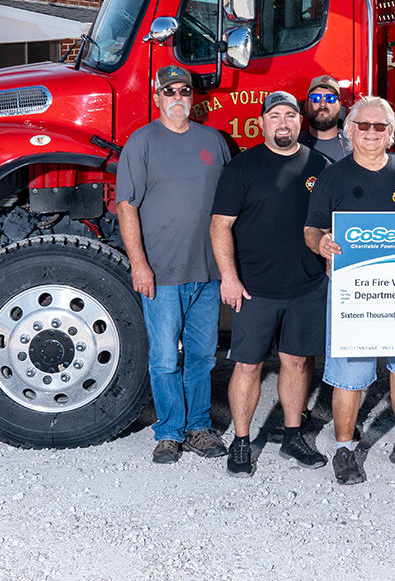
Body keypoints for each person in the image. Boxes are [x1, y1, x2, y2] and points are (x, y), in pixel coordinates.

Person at [305, 96, 395, 486]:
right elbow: (311, 228)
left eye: (379, 126)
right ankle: (345, 449)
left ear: (390, 133)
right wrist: (322, 244)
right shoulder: (333, 176)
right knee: (351, 372)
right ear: (350, 132)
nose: (370, 132)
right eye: (362, 126)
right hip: (355, 293)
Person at [210, 91, 331, 477]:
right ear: (262, 122)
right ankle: (242, 441)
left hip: (307, 285)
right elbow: (220, 226)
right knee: (248, 367)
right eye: (275, 115)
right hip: (255, 288)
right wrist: (229, 276)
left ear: (300, 121)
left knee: (297, 362)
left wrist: (330, 263)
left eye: (290, 115)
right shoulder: (242, 167)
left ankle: (293, 436)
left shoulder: (320, 165)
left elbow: (331, 224)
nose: (283, 122)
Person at [116, 65, 231, 465]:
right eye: (170, 92)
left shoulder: (214, 142)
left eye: (184, 90)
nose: (178, 97)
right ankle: (168, 432)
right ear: (157, 98)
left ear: (192, 97)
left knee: (202, 356)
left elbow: (230, 208)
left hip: (208, 272)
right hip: (161, 273)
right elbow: (126, 207)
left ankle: (198, 427)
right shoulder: (142, 142)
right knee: (165, 358)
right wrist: (139, 265)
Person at [298, 74, 351, 162]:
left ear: (339, 107)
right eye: (315, 98)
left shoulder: (353, 145)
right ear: (307, 106)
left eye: (330, 98)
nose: (323, 104)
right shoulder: (294, 143)